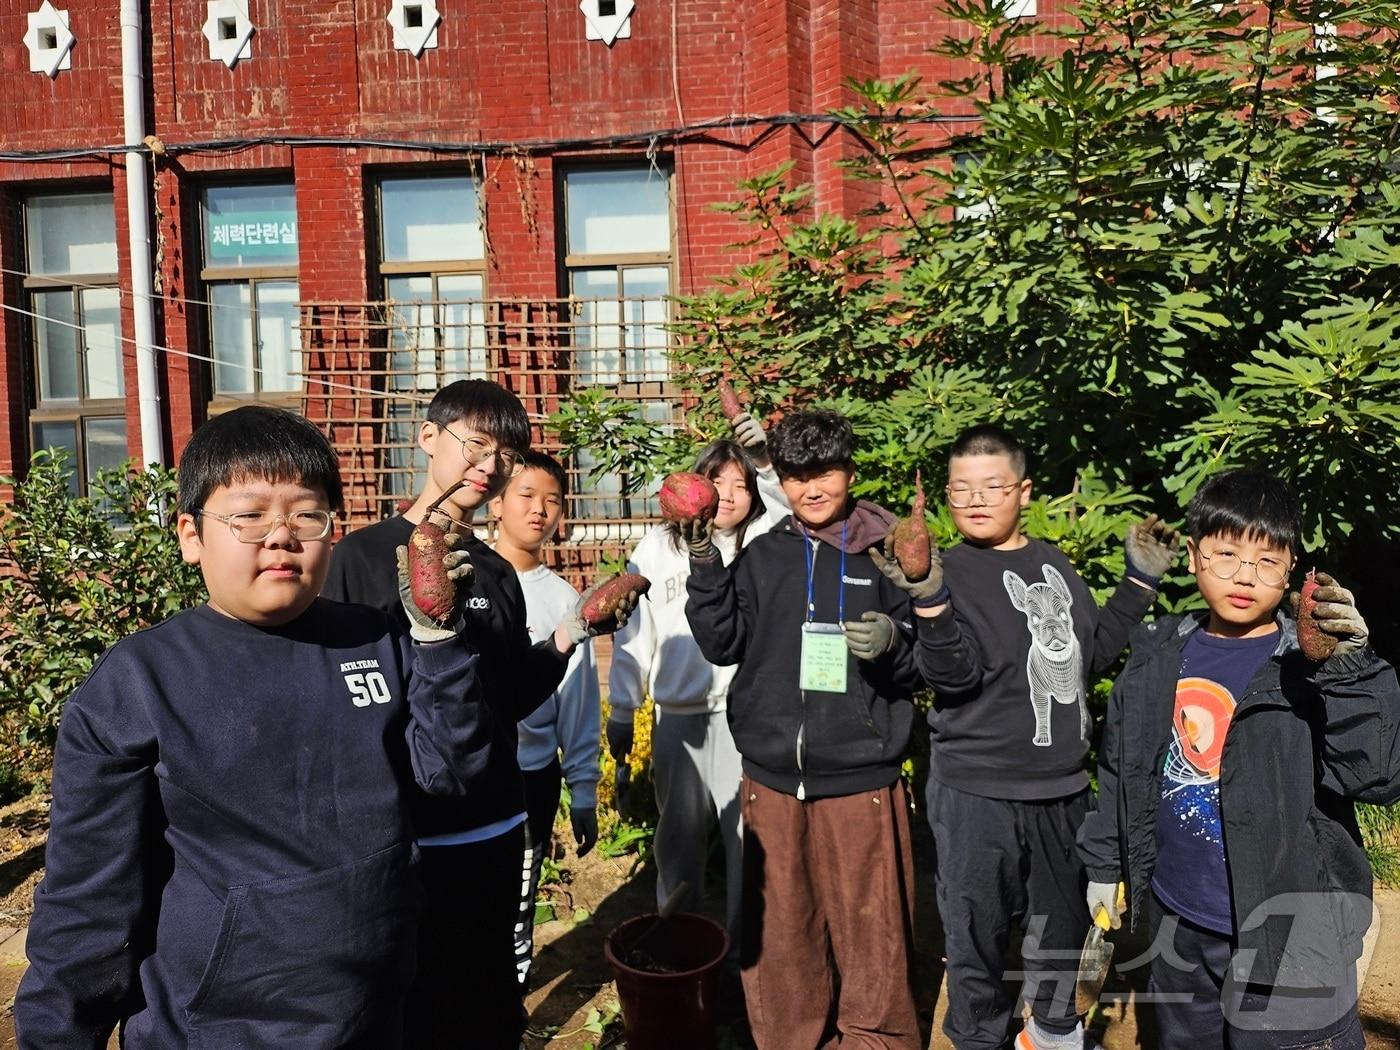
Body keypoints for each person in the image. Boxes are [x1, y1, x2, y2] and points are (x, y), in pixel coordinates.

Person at [16, 406, 492, 1049]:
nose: (281, 534)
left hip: (375, 1013)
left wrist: (438, 640)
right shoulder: (143, 680)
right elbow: (88, 900)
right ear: (191, 535)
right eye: (247, 515)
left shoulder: (376, 639)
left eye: (306, 513)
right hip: (217, 1028)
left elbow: (449, 774)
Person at [322, 379, 634, 1050]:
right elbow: (336, 702)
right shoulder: (360, 558)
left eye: (505, 454)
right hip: (402, 835)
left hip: (491, 826)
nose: (489, 466)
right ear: (428, 438)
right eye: (477, 444)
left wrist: (570, 634)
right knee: (400, 1009)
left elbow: (509, 698)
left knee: (486, 1004)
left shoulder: (495, 572)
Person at [873, 423, 1179, 1050]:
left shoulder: (1052, 564)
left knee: (1060, 931)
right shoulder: (938, 570)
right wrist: (929, 600)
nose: (977, 500)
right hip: (975, 791)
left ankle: (1050, 1034)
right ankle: (980, 1038)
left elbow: (1090, 656)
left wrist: (1139, 584)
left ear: (1024, 490)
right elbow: (950, 677)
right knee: (975, 934)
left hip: (1061, 788)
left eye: (992, 486)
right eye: (961, 491)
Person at [1077, 468, 1400, 1049]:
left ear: (1292, 569)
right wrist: (1104, 865)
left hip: (1289, 935)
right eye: (1226, 553)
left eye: (1267, 560)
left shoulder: (1311, 666)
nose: (1244, 576)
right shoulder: (1158, 652)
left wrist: (1352, 670)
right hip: (1178, 924)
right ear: (1196, 556)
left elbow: (1376, 775)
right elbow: (1120, 768)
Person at [684, 408, 924, 1049]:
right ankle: (790, 1041)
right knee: (782, 933)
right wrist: (706, 561)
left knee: (872, 932)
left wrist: (895, 644)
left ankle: (875, 1040)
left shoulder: (887, 553)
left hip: (860, 777)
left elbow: (928, 660)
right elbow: (722, 640)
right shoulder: (764, 556)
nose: (811, 489)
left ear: (850, 472)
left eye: (826, 473)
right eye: (796, 476)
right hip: (770, 777)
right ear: (780, 481)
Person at [606, 422, 788, 959]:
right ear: (697, 486)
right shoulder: (658, 548)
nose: (729, 494)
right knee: (679, 834)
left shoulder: (764, 541)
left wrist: (768, 463)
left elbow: (791, 509)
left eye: (742, 484)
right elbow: (633, 632)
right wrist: (624, 703)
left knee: (744, 835)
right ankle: (679, 938)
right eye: (718, 481)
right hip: (679, 717)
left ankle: (743, 955)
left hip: (744, 718)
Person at [487, 451, 602, 990]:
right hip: (469, 775)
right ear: (496, 504)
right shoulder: (467, 580)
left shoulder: (563, 599)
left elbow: (578, 700)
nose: (539, 510)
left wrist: (583, 788)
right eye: (526, 496)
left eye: (552, 501)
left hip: (531, 777)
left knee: (518, 900)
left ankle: (511, 1005)